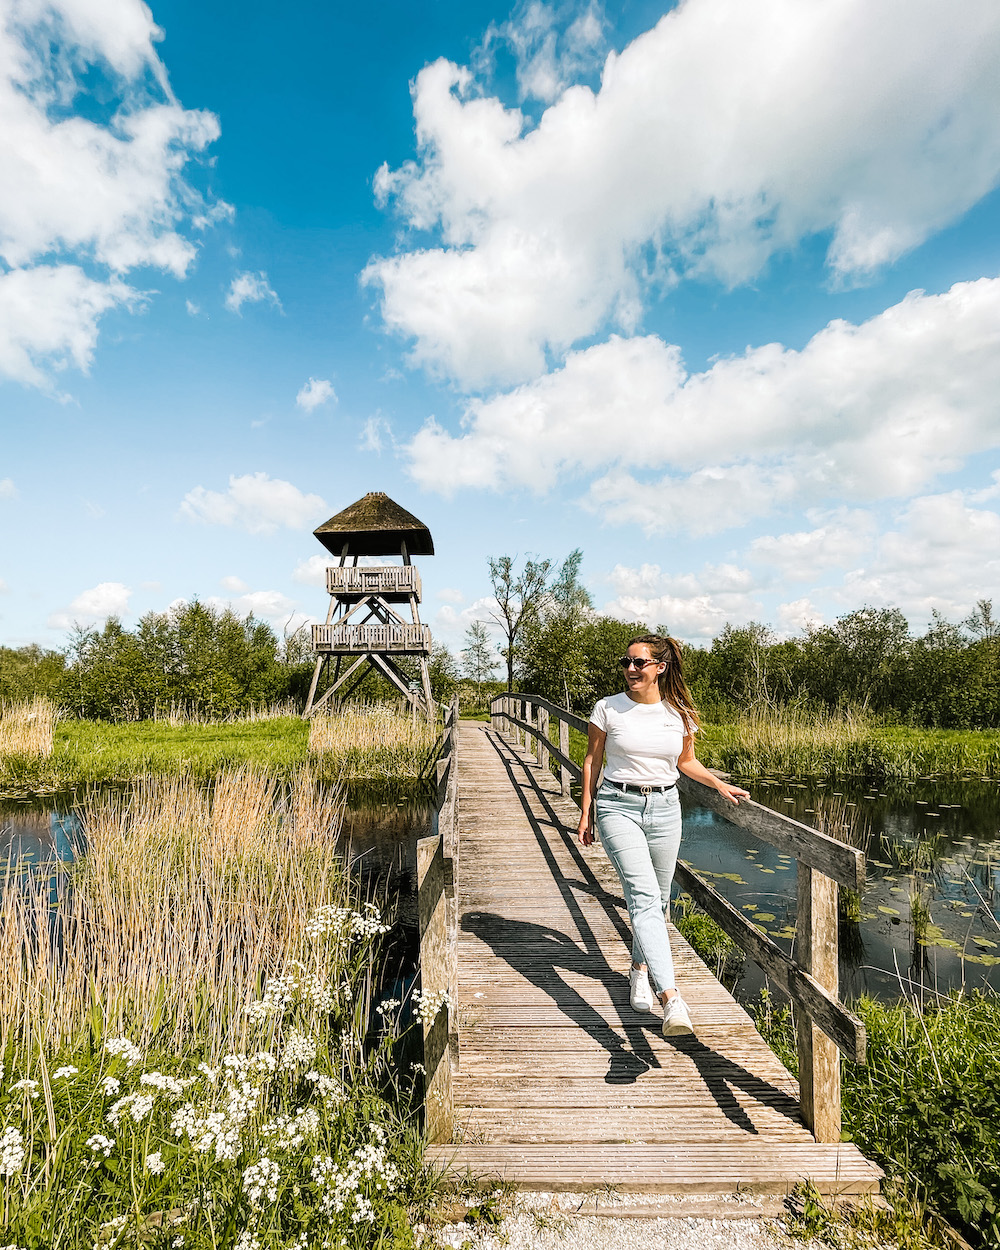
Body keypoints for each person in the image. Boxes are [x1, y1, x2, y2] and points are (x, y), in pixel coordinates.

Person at [577, 634, 749, 1037]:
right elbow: (592, 760)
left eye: (639, 662)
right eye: (627, 662)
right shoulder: (608, 708)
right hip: (617, 806)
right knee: (642, 896)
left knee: (658, 898)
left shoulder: (679, 714)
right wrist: (586, 810)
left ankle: (639, 968)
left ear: (660, 667)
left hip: (667, 809)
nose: (631, 669)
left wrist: (718, 784)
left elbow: (686, 762)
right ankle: (672, 998)